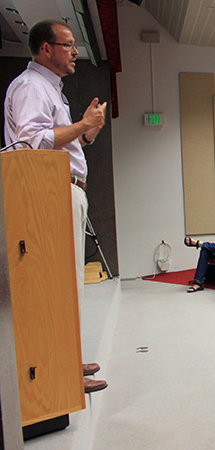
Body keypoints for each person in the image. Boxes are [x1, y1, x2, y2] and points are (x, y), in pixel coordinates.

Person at [4, 19, 109, 393]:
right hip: (51, 191)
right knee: (60, 286)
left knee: (66, 285)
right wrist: (82, 123)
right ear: (46, 48)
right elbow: (33, 143)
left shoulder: (49, 89)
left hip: (62, 189)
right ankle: (61, 372)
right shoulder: (32, 86)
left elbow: (56, 141)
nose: (75, 51)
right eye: (68, 44)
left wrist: (86, 132)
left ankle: (68, 360)